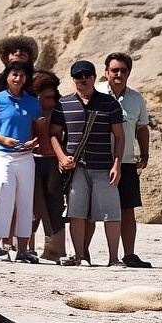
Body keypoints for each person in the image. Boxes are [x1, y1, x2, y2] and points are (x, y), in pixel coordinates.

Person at [53, 59, 125, 267]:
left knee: (112, 213)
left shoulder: (110, 103)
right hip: (76, 168)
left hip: (104, 165)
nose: (83, 79)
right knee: (76, 213)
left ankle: (114, 258)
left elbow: (119, 137)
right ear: (73, 79)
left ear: (95, 77)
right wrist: (61, 157)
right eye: (78, 76)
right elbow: (54, 135)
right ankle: (80, 256)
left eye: (87, 75)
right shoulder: (63, 104)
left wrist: (117, 164)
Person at [0, 61, 42, 263]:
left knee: (26, 202)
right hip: (2, 156)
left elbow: (40, 128)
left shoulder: (32, 101)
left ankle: (23, 249)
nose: (18, 79)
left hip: (26, 157)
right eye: (14, 74)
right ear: (7, 77)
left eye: (22, 75)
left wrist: (35, 141)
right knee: (5, 198)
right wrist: (2, 139)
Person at [95, 52, 152, 268]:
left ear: (129, 72)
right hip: (97, 160)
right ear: (106, 72)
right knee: (92, 209)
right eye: (114, 70)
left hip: (126, 161)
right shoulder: (95, 92)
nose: (119, 74)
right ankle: (83, 254)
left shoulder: (136, 99)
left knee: (128, 209)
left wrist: (144, 153)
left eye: (123, 70)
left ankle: (129, 254)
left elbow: (142, 128)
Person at [29, 70, 67, 262]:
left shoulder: (60, 111)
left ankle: (55, 250)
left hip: (53, 160)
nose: (48, 101)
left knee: (55, 205)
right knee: (31, 206)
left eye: (51, 96)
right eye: (43, 96)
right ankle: (27, 248)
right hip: (32, 159)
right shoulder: (28, 109)